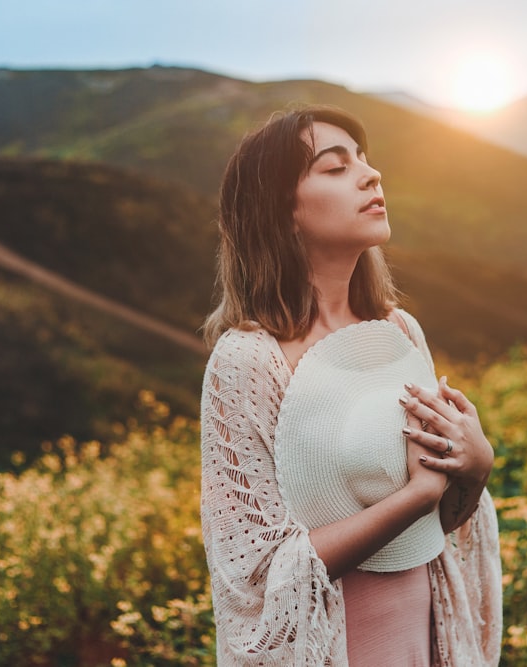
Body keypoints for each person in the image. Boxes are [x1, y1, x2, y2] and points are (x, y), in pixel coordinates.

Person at [200, 104, 503, 666]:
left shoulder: (399, 331)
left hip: (423, 636)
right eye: (335, 168)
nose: (371, 175)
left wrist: (476, 466)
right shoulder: (246, 361)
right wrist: (414, 496)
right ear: (282, 211)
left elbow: (436, 527)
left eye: (364, 161)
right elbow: (259, 575)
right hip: (339, 648)